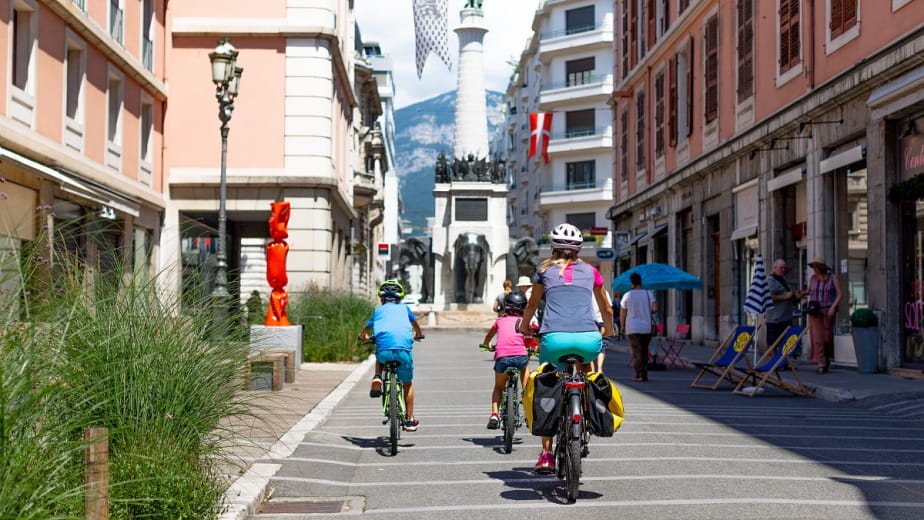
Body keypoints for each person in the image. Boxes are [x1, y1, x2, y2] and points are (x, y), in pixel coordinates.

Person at [518, 223, 614, 473]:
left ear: (553, 247)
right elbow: (607, 308)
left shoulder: (543, 271)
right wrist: (610, 329)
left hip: (554, 339)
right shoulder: (592, 271)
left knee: (548, 382)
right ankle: (585, 413)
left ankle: (546, 453)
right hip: (588, 339)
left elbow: (531, 306)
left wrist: (524, 326)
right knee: (587, 373)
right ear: (578, 248)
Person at [358, 279, 425, 431]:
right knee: (407, 384)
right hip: (403, 351)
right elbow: (415, 325)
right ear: (400, 298)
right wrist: (419, 335)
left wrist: (362, 336)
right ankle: (409, 418)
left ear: (382, 298)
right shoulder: (405, 308)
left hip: (384, 350)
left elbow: (366, 328)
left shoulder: (378, 311)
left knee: (380, 353)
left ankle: (377, 376)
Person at [480, 291, 530, 429]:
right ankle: (528, 409)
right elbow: (533, 337)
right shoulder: (523, 322)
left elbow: (489, 336)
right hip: (520, 358)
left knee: (499, 387)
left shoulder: (500, 320)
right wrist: (536, 347)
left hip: (502, 358)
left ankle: (494, 414)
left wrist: (486, 344)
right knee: (526, 375)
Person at [804, 256, 842, 374]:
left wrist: (833, 307)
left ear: (821, 267)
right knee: (817, 338)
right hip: (815, 312)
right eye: (813, 266)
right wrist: (800, 293)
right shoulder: (812, 279)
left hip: (828, 311)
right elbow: (808, 290)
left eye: (815, 266)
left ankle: (826, 358)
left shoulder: (832, 278)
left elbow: (840, 294)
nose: (814, 268)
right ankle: (820, 363)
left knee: (827, 337)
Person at [620, 273, 657, 382]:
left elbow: (623, 312)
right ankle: (644, 374)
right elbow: (655, 308)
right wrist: (645, 311)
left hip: (632, 327)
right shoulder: (648, 294)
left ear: (632, 283)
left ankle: (638, 374)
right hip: (646, 327)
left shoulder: (627, 295)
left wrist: (622, 326)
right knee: (644, 351)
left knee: (636, 351)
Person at [767, 259, 801, 353]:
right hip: (775, 318)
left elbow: (788, 294)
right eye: (781, 268)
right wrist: (784, 297)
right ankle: (773, 365)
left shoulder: (783, 279)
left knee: (786, 342)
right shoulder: (770, 281)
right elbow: (769, 297)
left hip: (785, 317)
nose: (783, 270)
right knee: (773, 343)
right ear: (775, 268)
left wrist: (795, 295)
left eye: (784, 268)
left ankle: (784, 362)